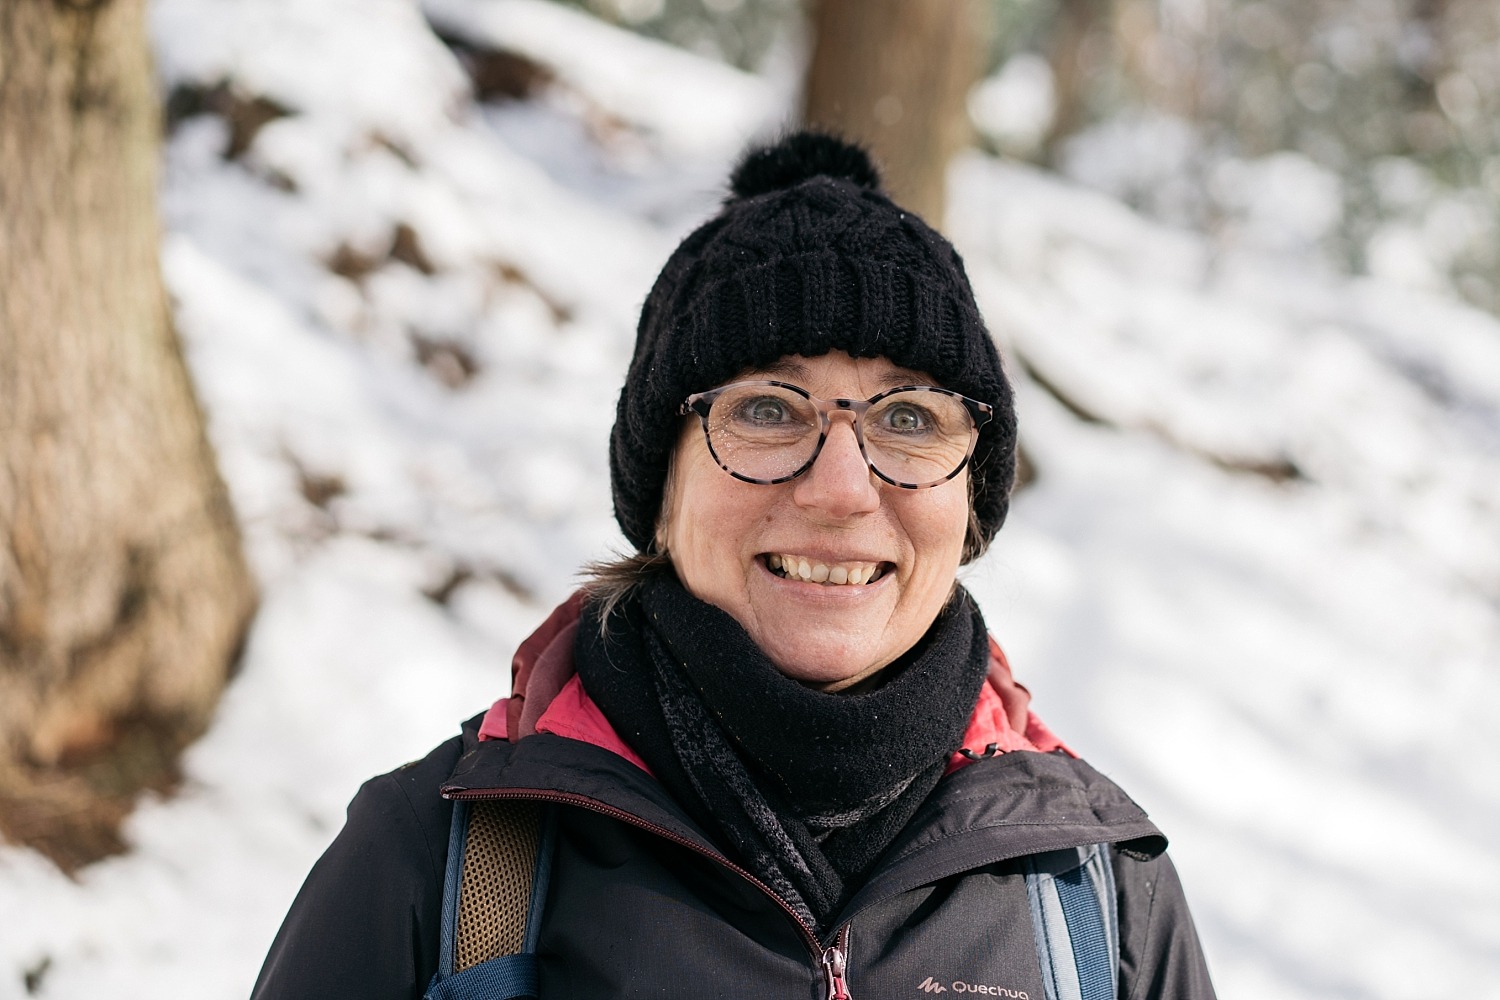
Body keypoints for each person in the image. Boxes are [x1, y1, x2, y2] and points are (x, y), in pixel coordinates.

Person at [252, 131, 1216, 999]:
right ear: (660, 492)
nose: (841, 488)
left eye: (909, 418)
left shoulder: (1100, 897)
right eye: (766, 409)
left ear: (971, 501)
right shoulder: (442, 864)